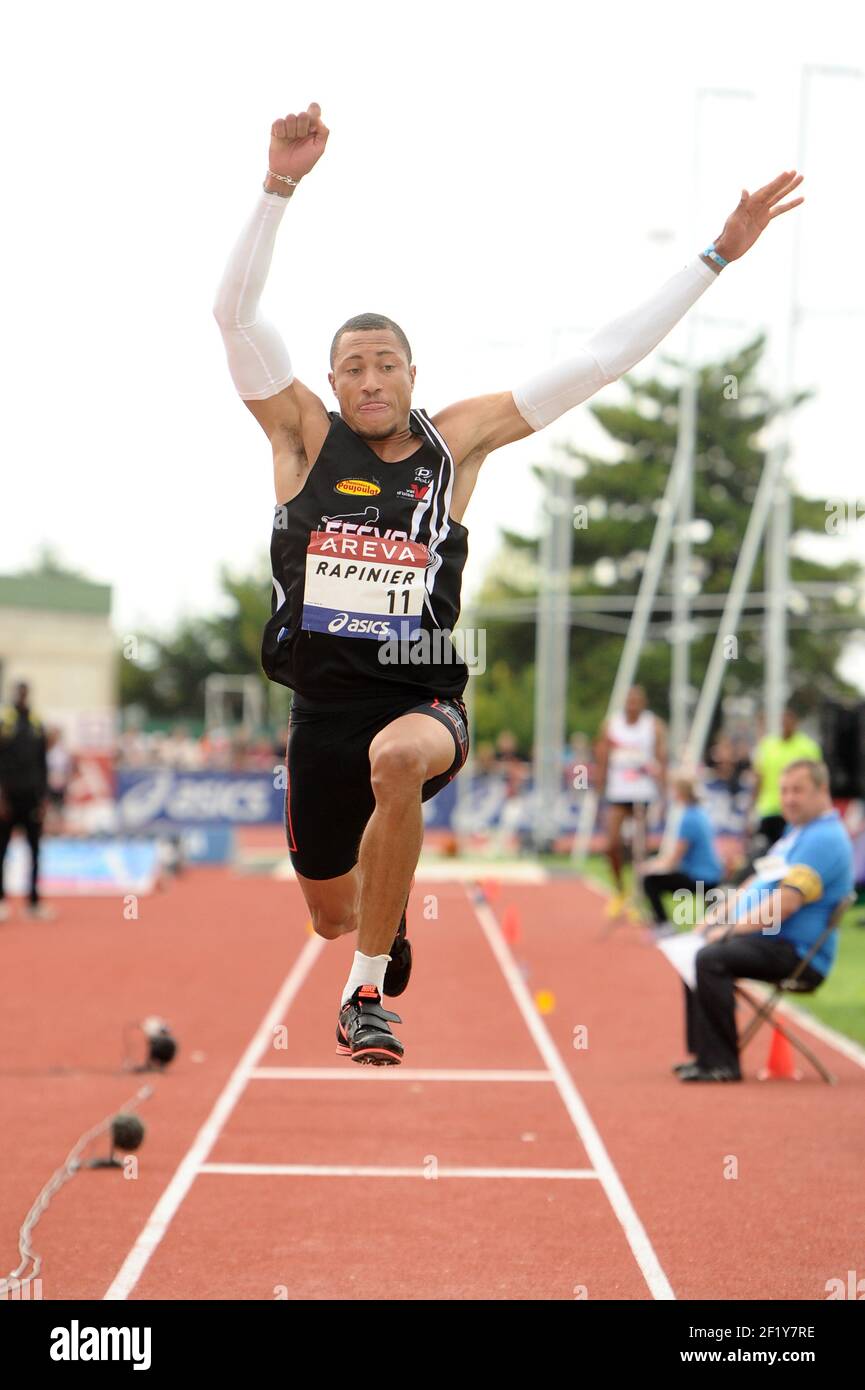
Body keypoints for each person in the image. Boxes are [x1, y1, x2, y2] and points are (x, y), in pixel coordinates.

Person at [212, 100, 804, 1066]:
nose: (369, 378)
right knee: (331, 914)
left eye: (385, 363)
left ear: (411, 373)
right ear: (329, 380)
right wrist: (279, 185)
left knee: (398, 763)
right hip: (320, 709)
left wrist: (715, 255)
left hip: (419, 696)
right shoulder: (301, 437)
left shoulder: (458, 444)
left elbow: (600, 359)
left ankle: (365, 998)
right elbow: (232, 316)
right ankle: (379, 928)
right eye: (350, 366)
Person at [674, 760, 853, 1082]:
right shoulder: (797, 833)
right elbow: (753, 884)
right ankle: (705, 1056)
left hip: (797, 953)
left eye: (798, 790)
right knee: (695, 948)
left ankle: (721, 1064)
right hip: (772, 942)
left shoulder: (823, 839)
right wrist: (710, 922)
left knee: (710, 957)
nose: (789, 799)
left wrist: (726, 932)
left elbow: (783, 906)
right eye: (784, 791)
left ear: (822, 791)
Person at [595, 686, 668, 917]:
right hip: (619, 792)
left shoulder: (652, 725)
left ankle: (639, 897)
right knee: (611, 844)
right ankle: (620, 891)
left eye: (637, 701)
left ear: (643, 703)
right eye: (629, 700)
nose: (632, 705)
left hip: (643, 792)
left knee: (640, 849)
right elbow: (602, 757)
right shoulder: (612, 725)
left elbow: (661, 759)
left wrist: (663, 794)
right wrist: (599, 790)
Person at [639, 771, 722, 940]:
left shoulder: (689, 819)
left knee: (650, 881)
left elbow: (673, 860)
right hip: (712, 874)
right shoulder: (699, 813)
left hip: (702, 878)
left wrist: (649, 867)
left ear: (680, 792)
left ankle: (664, 925)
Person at [0, 682, 53, 921]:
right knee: (2, 851)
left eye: (24, 691)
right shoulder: (5, 722)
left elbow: (43, 763)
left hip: (32, 797)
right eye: (18, 691)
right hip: (8, 798)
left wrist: (43, 798)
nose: (21, 695)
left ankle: (33, 902)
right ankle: (2, 901)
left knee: (35, 851)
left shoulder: (36, 722)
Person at [752, 705, 821, 849]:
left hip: (797, 808)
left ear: (796, 722)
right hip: (770, 809)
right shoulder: (768, 745)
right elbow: (759, 777)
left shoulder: (808, 747)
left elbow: (818, 779)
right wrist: (753, 806)